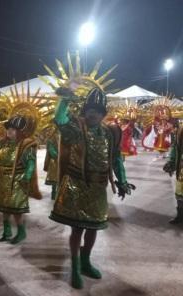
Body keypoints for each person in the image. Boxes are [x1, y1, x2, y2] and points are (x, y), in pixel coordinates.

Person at [49, 84, 135, 289]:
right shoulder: (77, 129)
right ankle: (75, 265)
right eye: (90, 110)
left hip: (98, 189)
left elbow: (116, 160)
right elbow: (59, 119)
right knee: (77, 229)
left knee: (94, 227)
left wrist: (121, 181)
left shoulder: (109, 133)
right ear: (84, 111)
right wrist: (65, 98)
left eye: (97, 111)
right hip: (76, 187)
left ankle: (86, 261)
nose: (93, 114)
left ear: (103, 114)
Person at [0, 116, 37, 244]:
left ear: (20, 131)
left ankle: (21, 232)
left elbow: (31, 163)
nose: (9, 131)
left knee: (16, 208)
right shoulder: (3, 144)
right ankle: (7, 231)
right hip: (2, 181)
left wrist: (27, 177)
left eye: (13, 129)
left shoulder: (25, 145)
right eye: (8, 128)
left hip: (17, 180)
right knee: (4, 207)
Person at [163, 125, 183, 224]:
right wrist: (171, 162)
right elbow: (175, 147)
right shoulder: (180, 130)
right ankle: (180, 216)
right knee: (180, 194)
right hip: (182, 170)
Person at [43, 128, 59, 200]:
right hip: (54, 162)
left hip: (63, 161)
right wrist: (58, 155)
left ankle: (59, 194)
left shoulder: (67, 136)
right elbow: (51, 150)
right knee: (54, 179)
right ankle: (53, 194)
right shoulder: (52, 137)